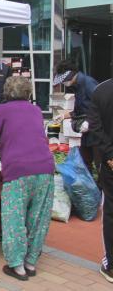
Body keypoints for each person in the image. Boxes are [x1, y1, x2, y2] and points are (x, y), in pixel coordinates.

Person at [0, 76, 55, 280]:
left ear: (6, 92)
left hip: (18, 169)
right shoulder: (36, 111)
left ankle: (17, 265)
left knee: (14, 217)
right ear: (28, 93)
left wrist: (0, 139)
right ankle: (30, 262)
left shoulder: (0, 111)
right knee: (38, 217)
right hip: (45, 167)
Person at [87, 76, 113, 283]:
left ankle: (111, 265)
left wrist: (110, 156)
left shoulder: (101, 90)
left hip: (111, 163)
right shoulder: (101, 90)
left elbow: (95, 128)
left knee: (111, 212)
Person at [53, 60, 99, 170]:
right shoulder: (77, 87)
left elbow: (100, 106)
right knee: (84, 162)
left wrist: (89, 121)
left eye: (64, 80)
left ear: (70, 75)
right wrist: (64, 116)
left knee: (99, 164)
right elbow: (79, 110)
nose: (64, 83)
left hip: (97, 132)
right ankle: (88, 185)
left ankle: (101, 186)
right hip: (86, 132)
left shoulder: (88, 84)